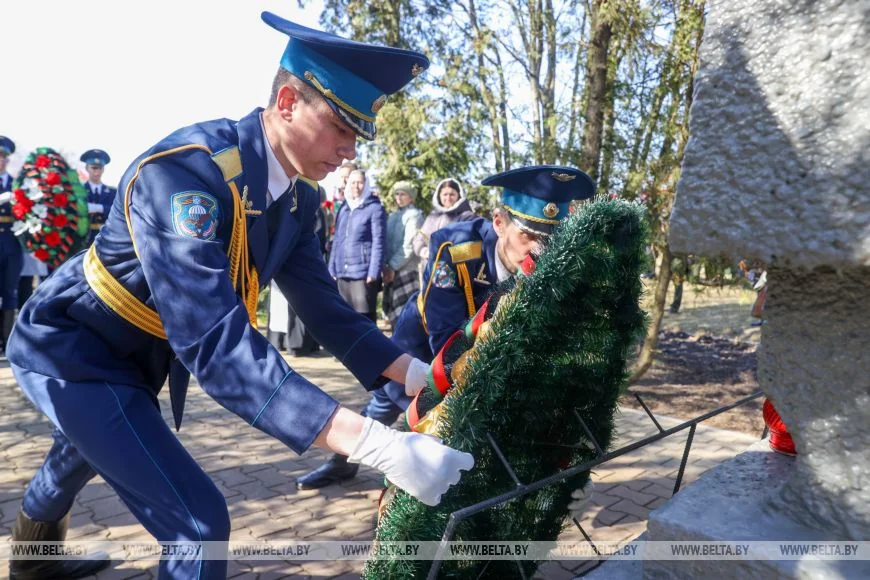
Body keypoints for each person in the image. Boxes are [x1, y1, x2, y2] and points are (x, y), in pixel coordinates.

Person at [5, 14, 473, 580]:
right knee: (199, 525)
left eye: (358, 134)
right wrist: (378, 446)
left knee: (93, 442)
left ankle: (31, 561)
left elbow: (327, 314)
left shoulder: (295, 202)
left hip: (134, 355)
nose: (350, 150)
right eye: (341, 127)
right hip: (71, 348)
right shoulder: (186, 175)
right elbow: (216, 343)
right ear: (286, 102)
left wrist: (420, 375)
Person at [297, 165, 594, 489]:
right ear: (499, 222)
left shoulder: (552, 268)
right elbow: (444, 332)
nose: (539, 250)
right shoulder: (457, 249)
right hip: (426, 344)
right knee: (395, 405)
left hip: (484, 356)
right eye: (529, 234)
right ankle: (345, 465)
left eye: (549, 239)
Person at [328, 169, 386, 323]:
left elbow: (379, 242)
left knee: (364, 319)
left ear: (366, 185)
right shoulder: (344, 208)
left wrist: (373, 272)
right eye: (353, 182)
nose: (356, 186)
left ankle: (370, 348)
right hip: (342, 272)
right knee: (344, 318)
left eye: (360, 182)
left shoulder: (375, 208)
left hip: (363, 274)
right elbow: (338, 240)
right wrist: (332, 268)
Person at [382, 180, 423, 327]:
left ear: (411, 197)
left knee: (406, 315)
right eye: (396, 194)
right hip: (391, 269)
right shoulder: (393, 216)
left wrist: (392, 266)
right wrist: (386, 266)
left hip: (406, 270)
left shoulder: (414, 215)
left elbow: (409, 246)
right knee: (393, 314)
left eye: (403, 194)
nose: (398, 197)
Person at [0, 136, 22, 358]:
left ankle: (7, 342)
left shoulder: (16, 184)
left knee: (10, 291)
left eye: (4, 157)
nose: (1, 161)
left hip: (11, 243)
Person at [80, 148, 117, 245]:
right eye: (94, 168)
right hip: (82, 241)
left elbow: (117, 211)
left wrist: (99, 208)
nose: (97, 172)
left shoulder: (113, 192)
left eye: (100, 168)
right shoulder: (79, 191)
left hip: (106, 239)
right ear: (87, 168)